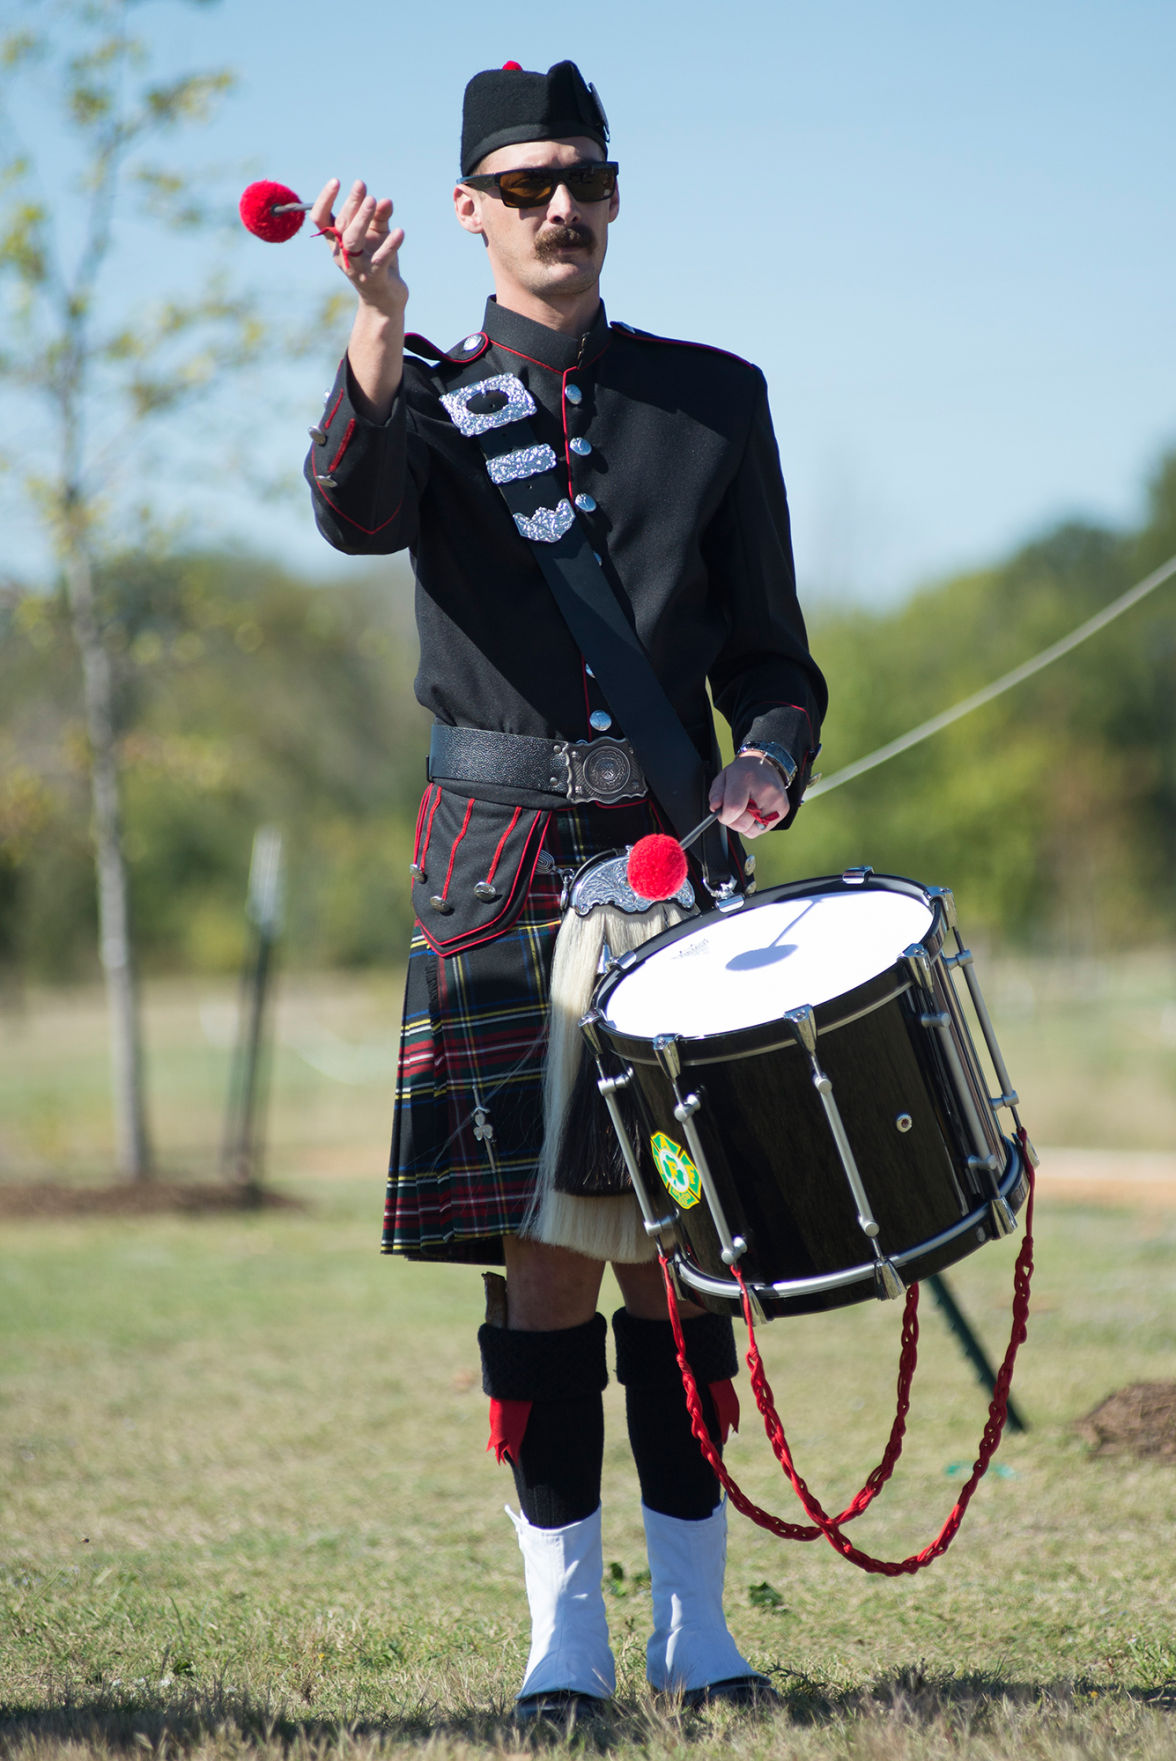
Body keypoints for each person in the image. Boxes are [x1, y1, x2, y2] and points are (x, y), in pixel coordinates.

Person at [305, 59, 827, 1721]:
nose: (557, 207)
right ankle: (565, 1646)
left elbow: (776, 663)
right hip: (498, 877)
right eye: (523, 183)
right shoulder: (432, 400)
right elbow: (349, 507)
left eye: (582, 180)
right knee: (539, 1267)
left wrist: (771, 760)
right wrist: (379, 322)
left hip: (680, 866)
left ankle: (698, 1633)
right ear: (471, 208)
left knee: (686, 1253)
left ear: (614, 196)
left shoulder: (714, 399)